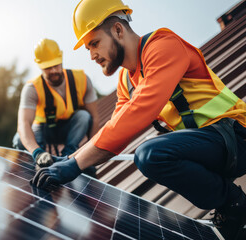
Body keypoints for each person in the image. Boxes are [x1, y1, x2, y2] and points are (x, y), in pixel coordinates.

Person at [30, 0, 246, 239]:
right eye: (88, 49)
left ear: (118, 30)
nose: (91, 55)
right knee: (149, 155)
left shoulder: (163, 46)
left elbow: (140, 111)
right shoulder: (126, 81)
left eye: (94, 43)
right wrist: (71, 159)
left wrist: (74, 165)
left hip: (237, 136)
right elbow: (116, 129)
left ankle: (233, 204)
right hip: (212, 147)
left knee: (150, 155)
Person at [13, 38, 99, 168]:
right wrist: (37, 152)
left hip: (68, 131)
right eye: (48, 67)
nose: (53, 70)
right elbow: (23, 124)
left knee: (84, 116)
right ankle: (37, 165)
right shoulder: (32, 88)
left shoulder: (82, 80)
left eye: (56, 65)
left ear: (61, 59)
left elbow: (94, 117)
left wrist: (92, 152)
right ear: (39, 66)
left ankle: (68, 156)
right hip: (43, 131)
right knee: (19, 139)